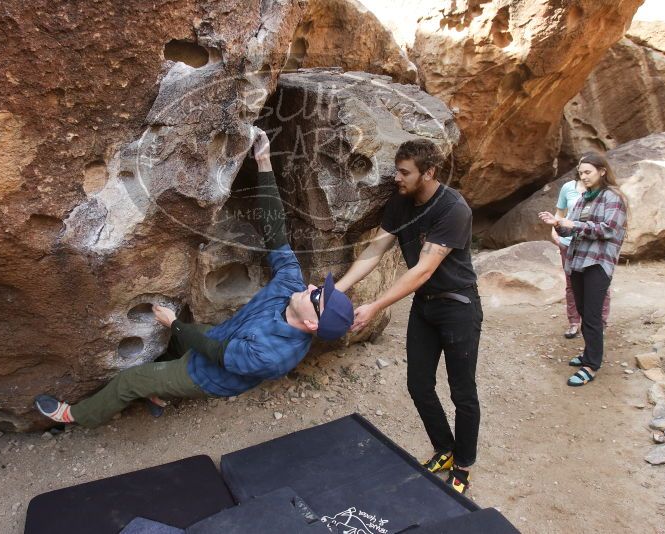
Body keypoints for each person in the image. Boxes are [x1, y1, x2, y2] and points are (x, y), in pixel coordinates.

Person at [34, 128, 354, 427]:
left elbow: (213, 353)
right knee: (181, 339)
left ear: (312, 324)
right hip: (222, 338)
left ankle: (77, 415)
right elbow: (275, 231)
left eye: (317, 296)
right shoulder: (292, 285)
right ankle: (160, 389)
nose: (311, 287)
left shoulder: (274, 355)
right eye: (318, 287)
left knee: (134, 378)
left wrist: (173, 323)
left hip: (208, 375)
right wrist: (264, 162)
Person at [334, 139, 482, 495]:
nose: (397, 179)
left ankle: (463, 464)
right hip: (425, 307)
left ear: (428, 173)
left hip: (457, 306)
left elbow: (423, 270)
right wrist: (337, 290)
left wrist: (375, 306)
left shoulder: (453, 209)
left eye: (405, 173)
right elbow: (375, 250)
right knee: (419, 385)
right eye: (397, 170)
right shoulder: (400, 203)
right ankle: (445, 448)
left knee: (462, 392)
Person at [539, 152, 627, 387]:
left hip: (597, 262)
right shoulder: (584, 197)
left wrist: (572, 224)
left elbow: (608, 229)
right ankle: (589, 354)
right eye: (581, 173)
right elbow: (570, 229)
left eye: (588, 172)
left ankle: (591, 364)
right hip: (577, 261)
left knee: (592, 314)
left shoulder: (613, 197)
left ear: (602, 171)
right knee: (582, 309)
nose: (584, 176)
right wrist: (557, 223)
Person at [553, 174, 610, 339]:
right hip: (568, 241)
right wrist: (554, 228)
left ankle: (600, 322)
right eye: (581, 169)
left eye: (588, 170)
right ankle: (574, 322)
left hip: (592, 244)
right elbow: (560, 212)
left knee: (599, 284)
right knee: (571, 285)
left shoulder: (604, 192)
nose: (584, 174)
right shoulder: (568, 188)